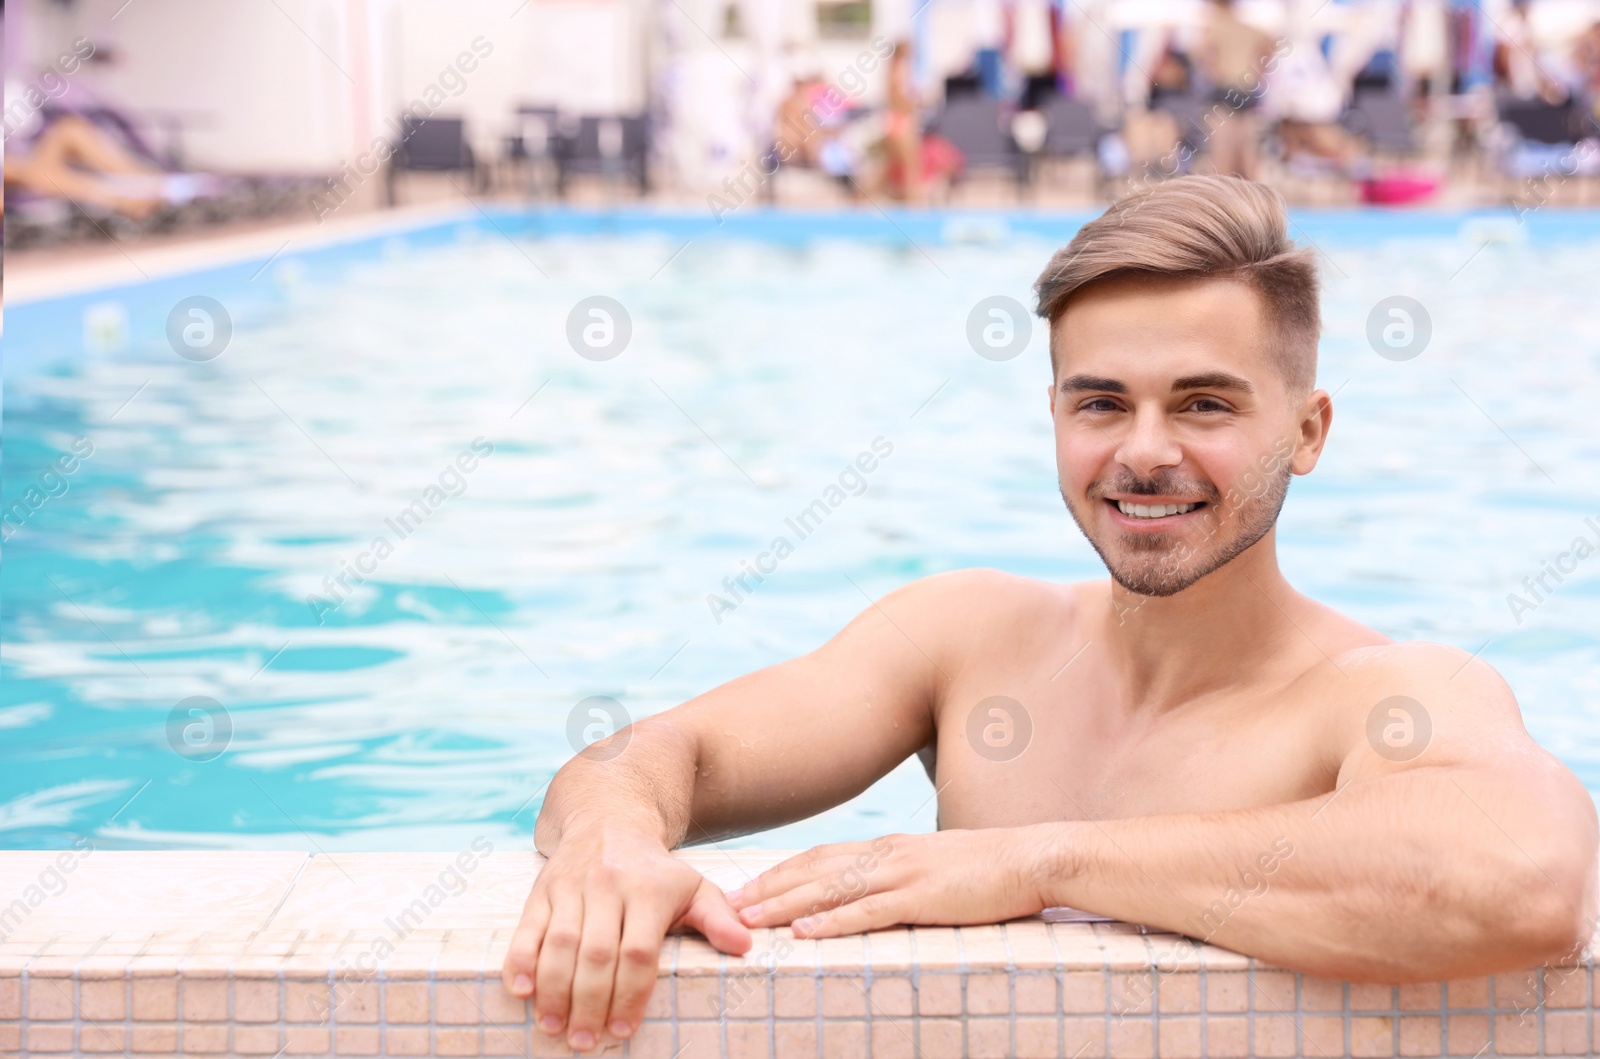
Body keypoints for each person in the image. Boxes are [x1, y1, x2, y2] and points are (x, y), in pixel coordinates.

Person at [499, 176, 1597, 1054]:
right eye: (1101, 403)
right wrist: (608, 842)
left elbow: (1524, 878)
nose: (1144, 450)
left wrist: (1037, 861)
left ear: (1307, 432)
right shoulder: (967, 638)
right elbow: (653, 756)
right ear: (1056, 417)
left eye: (1204, 403)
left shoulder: (1383, 693)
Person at [1197, 0, 1275, 179]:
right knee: (1248, 154)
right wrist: (1258, 71)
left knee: (1222, 155)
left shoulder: (1215, 29)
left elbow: (1205, 56)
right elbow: (1269, 46)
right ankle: (1252, 199)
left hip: (1226, 90)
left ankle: (1225, 199)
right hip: (1247, 90)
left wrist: (1215, 71)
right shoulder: (1249, 29)